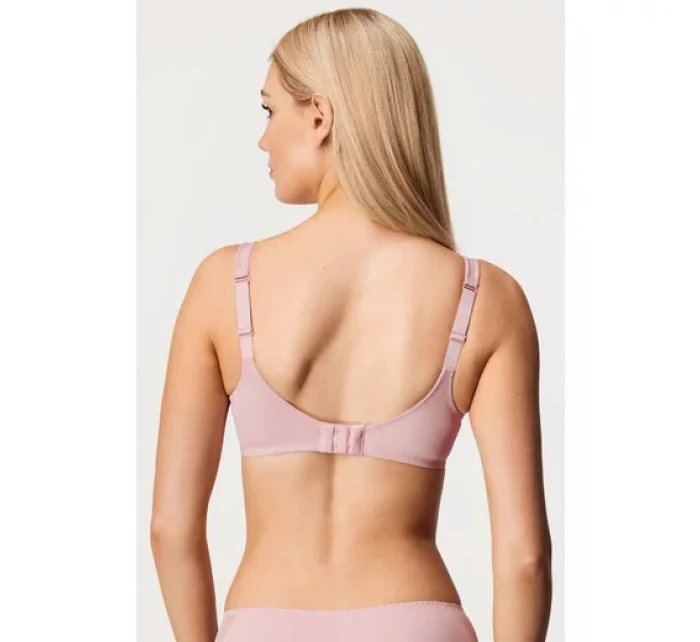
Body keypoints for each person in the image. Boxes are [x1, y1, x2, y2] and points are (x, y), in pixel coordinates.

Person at [150, 8, 552, 642]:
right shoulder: (486, 298)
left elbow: (171, 531)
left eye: (268, 111)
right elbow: (525, 557)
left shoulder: (223, 285)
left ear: (320, 116)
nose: (262, 140)